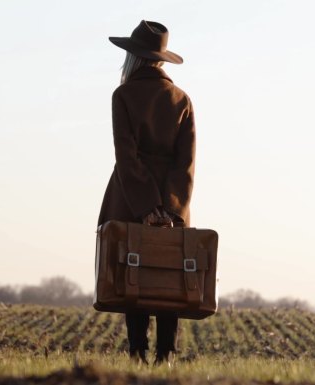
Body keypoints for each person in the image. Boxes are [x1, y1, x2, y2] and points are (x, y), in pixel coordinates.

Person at [97, 20, 196, 366]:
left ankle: (137, 352)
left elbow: (126, 155)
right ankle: (166, 355)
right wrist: (170, 208)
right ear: (160, 60)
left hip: (129, 196)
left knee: (132, 272)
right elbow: (186, 162)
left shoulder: (122, 95)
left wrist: (144, 207)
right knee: (171, 273)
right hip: (174, 203)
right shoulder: (182, 99)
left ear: (133, 58)